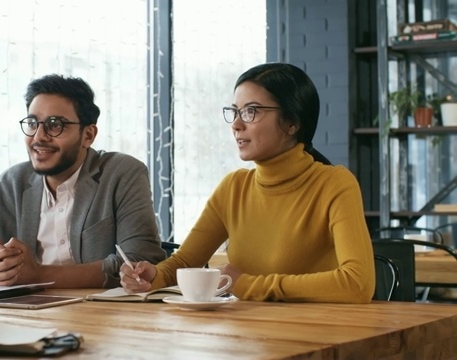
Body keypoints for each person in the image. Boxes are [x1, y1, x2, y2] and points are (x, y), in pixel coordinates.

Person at [120, 63, 376, 303]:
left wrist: (246, 285)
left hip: (318, 338)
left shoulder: (334, 183)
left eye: (251, 111)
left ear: (292, 123)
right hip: (246, 335)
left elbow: (357, 283)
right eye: (235, 112)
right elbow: (185, 262)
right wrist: (153, 275)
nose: (236, 124)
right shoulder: (234, 187)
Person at [0, 74, 165, 288]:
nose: (39, 136)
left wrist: (38, 275)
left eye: (55, 125)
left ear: (88, 135)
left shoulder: (121, 174)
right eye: (33, 123)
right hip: (27, 315)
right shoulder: (12, 183)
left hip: (101, 316)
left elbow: (140, 260)